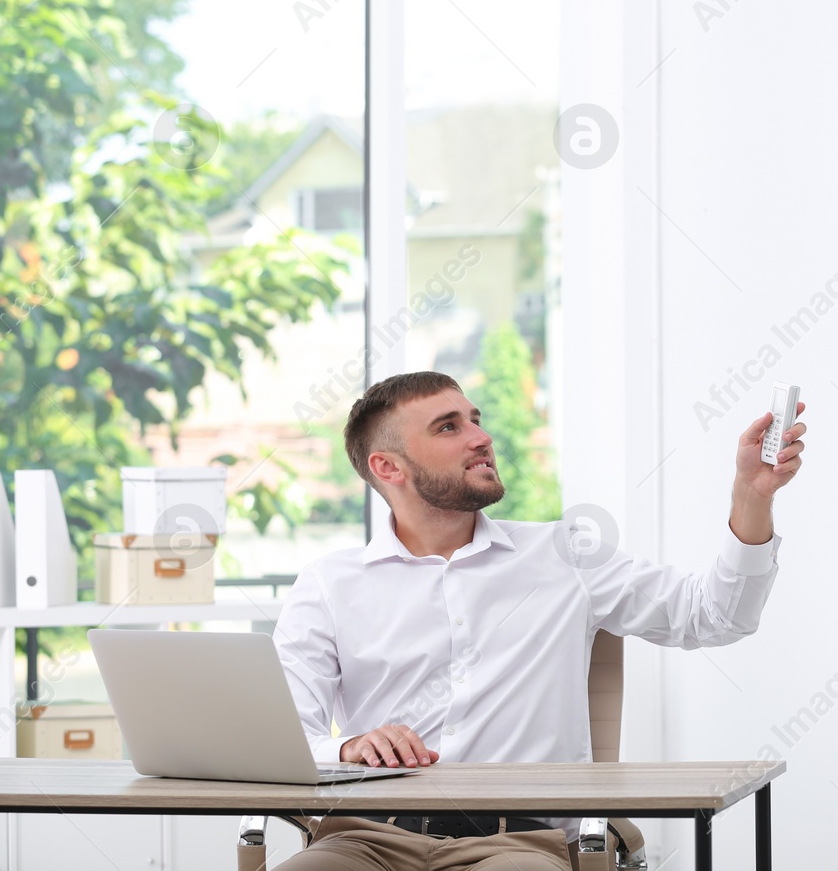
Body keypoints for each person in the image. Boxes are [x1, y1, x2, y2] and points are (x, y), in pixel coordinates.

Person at [272, 371, 804, 870]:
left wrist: (750, 496)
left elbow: (716, 617)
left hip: (517, 843)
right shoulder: (328, 583)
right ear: (389, 467)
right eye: (448, 427)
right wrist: (346, 747)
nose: (480, 438)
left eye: (475, 419)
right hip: (365, 838)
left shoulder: (565, 554)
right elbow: (284, 740)